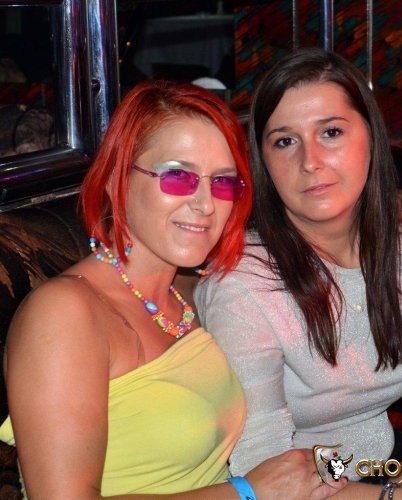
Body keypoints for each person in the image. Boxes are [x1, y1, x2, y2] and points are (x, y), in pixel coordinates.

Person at [194, 48, 402, 500]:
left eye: (331, 132)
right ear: (262, 161)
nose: (310, 161)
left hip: (384, 460)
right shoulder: (243, 284)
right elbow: (264, 461)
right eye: (285, 141)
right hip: (302, 484)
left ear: (371, 135)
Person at [0, 80, 350, 499]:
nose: (205, 204)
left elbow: (309, 237)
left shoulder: (191, 291)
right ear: (116, 179)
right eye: (178, 176)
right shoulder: (63, 315)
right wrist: (247, 492)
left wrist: (399, 207)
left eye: (223, 182)